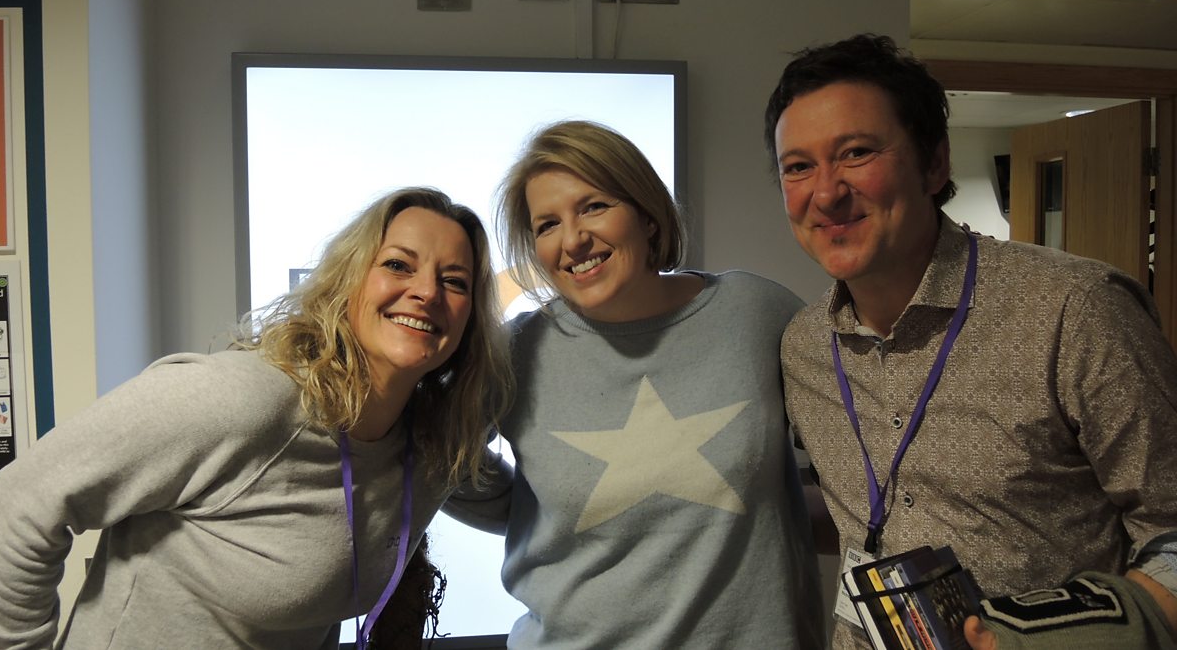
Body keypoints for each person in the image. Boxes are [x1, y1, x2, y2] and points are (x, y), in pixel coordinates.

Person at [764, 33, 1177, 649]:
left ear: (934, 164)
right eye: (798, 166)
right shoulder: (804, 347)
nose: (825, 193)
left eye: (856, 153)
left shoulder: (1074, 311)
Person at [0, 188, 513, 649]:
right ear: (348, 281)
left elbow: (520, 505)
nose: (426, 292)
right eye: (397, 264)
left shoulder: (433, 446)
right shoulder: (242, 400)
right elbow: (26, 500)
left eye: (455, 281)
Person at [447, 119, 825, 648]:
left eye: (594, 207)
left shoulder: (757, 313)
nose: (573, 240)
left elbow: (857, 462)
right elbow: (442, 459)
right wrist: (529, 511)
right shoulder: (515, 352)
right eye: (548, 225)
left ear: (647, 215)